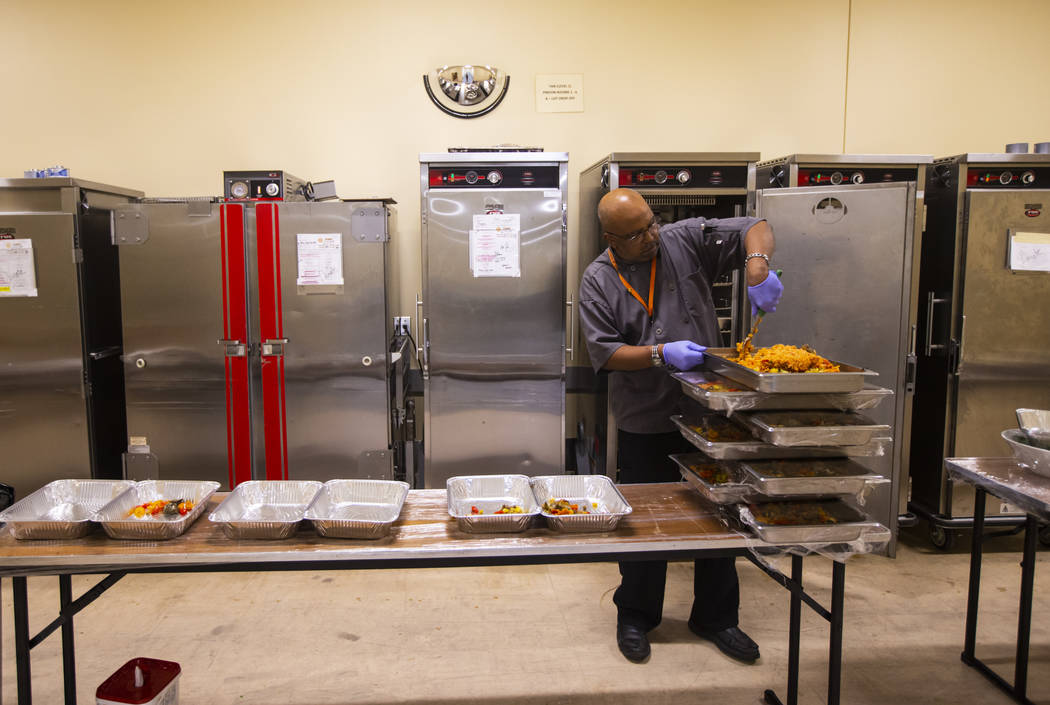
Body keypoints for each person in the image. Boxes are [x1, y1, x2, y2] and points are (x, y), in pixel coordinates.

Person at [578, 188, 781, 664]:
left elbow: (756, 226)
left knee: (718, 514)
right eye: (637, 233)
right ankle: (636, 614)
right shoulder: (598, 280)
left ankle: (716, 618)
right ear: (611, 238)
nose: (651, 236)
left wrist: (756, 266)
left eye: (651, 223)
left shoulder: (680, 239)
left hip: (708, 411)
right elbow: (606, 354)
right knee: (646, 522)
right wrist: (657, 353)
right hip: (645, 416)